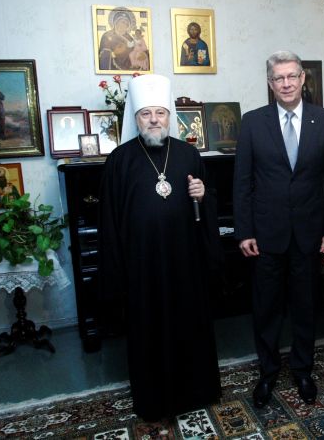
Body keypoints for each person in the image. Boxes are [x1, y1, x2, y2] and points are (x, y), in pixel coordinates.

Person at [98, 74, 222, 421]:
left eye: (160, 113)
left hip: (185, 262)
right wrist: (118, 271)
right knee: (148, 330)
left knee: (189, 325)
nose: (154, 120)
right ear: (136, 118)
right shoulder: (119, 160)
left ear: (169, 116)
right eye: (146, 113)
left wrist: (203, 195)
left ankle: (196, 391)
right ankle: (153, 399)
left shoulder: (188, 154)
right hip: (142, 266)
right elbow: (109, 220)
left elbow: (207, 201)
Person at [233, 50, 324, 408]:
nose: (286, 83)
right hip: (265, 235)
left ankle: (302, 370)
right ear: (270, 83)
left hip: (309, 233)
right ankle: (267, 372)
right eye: (278, 78)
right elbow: (242, 182)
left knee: (305, 306)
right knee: (266, 308)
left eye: (292, 76)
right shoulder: (252, 122)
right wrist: (244, 231)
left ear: (302, 78)